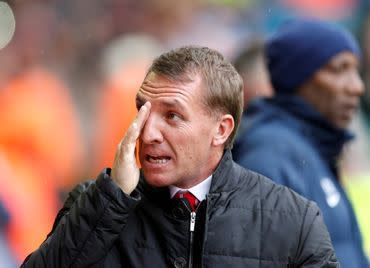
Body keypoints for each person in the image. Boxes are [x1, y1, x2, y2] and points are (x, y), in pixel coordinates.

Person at [21, 46, 338, 267]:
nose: (148, 133)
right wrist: (112, 198)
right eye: (143, 112)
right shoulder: (97, 206)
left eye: (172, 116)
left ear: (221, 130)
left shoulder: (293, 219)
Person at [233, 18, 370, 267]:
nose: (357, 87)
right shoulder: (269, 155)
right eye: (340, 69)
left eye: (356, 71)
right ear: (300, 77)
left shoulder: (312, 148)